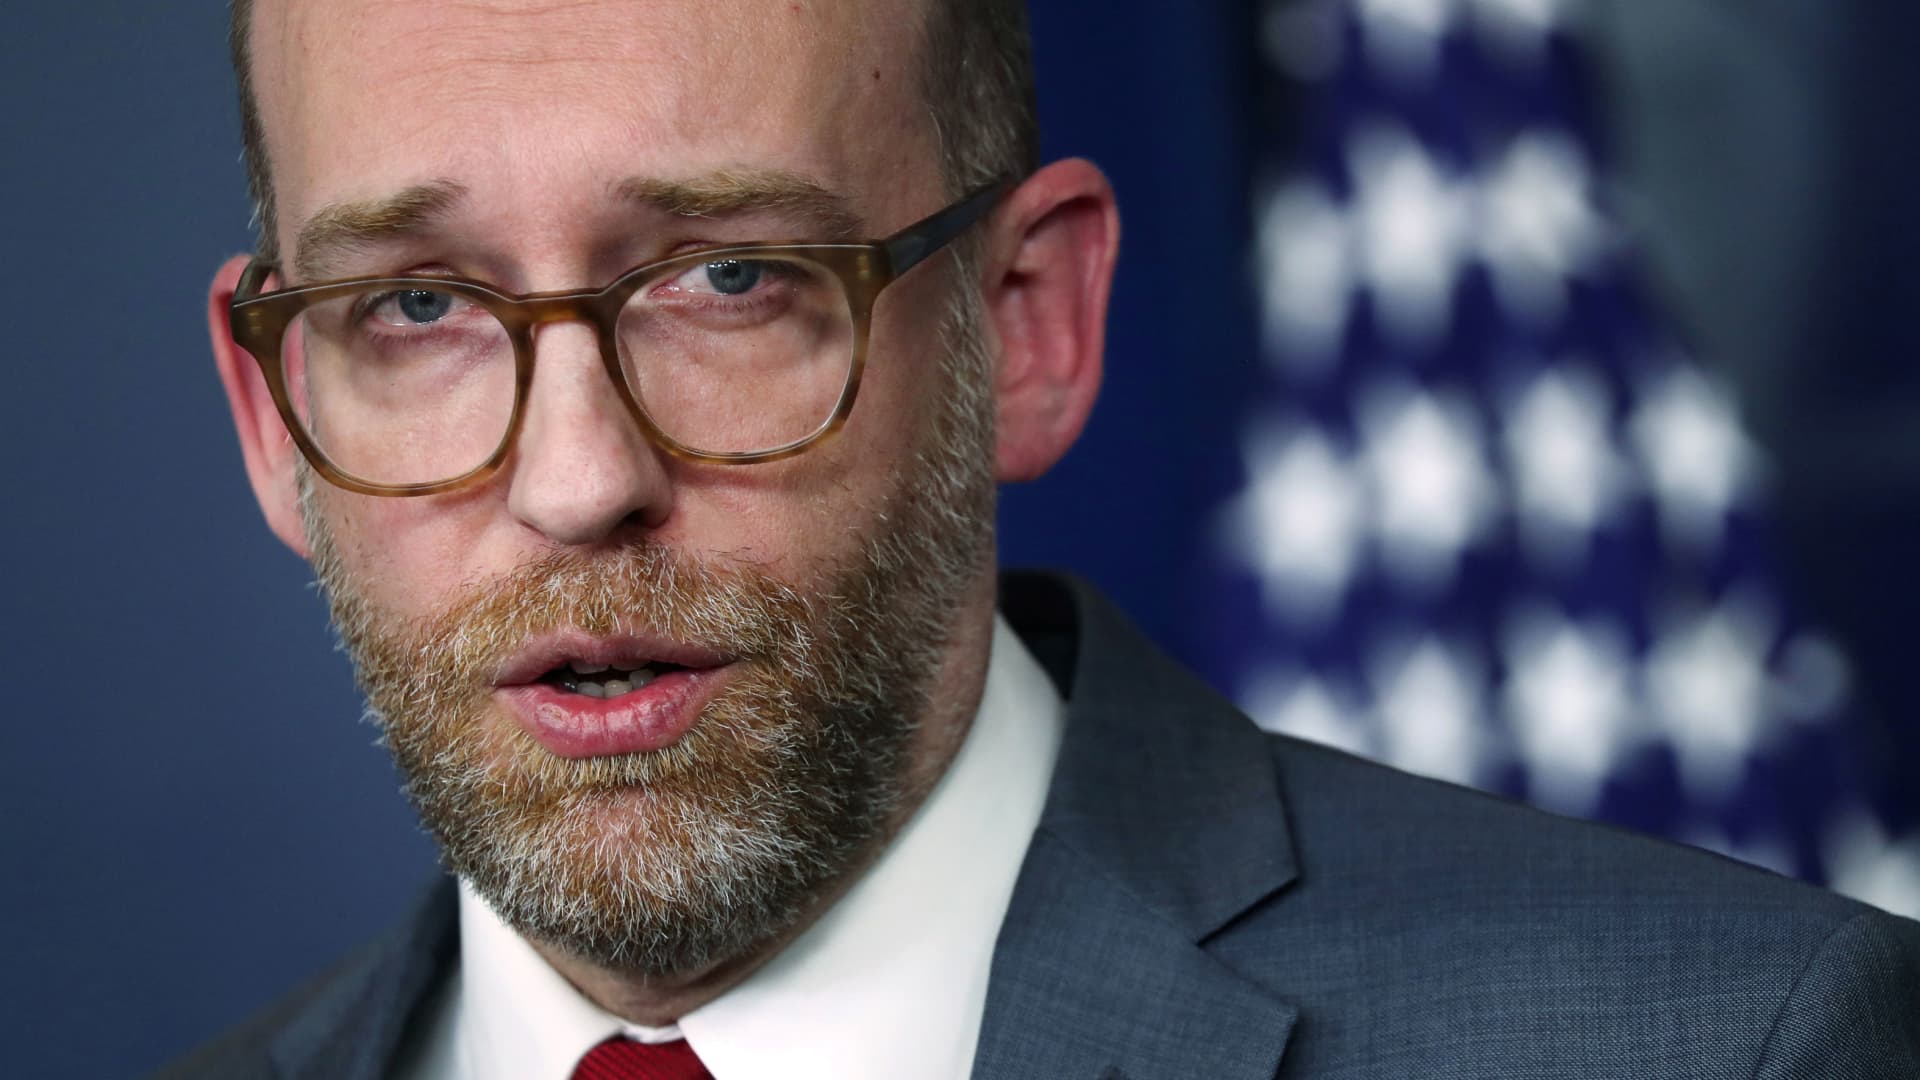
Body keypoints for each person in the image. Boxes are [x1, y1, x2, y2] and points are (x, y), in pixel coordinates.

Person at [171, 0, 1920, 1077]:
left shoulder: (1726, 1050)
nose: (575, 479)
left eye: (731, 277)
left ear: (1029, 326)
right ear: (270, 414)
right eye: (416, 306)